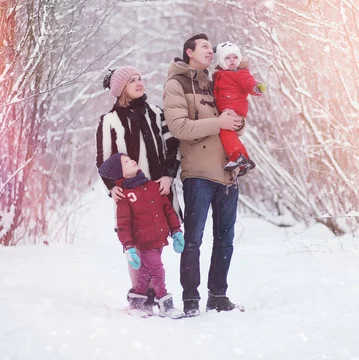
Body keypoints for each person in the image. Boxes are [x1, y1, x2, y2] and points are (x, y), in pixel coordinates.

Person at [163, 33, 245, 317]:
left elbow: (229, 124)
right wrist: (218, 122)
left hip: (227, 173)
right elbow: (180, 128)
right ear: (189, 52)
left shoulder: (214, 83)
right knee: (194, 238)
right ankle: (191, 299)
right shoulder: (176, 84)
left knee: (225, 239)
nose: (212, 51)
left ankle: (218, 296)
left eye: (212, 48)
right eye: (205, 47)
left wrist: (236, 121)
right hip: (198, 172)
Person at [96, 66, 181, 314]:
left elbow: (172, 147)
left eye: (140, 78)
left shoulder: (156, 113)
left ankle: (156, 292)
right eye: (132, 80)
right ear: (121, 88)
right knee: (134, 243)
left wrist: (168, 175)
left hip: (157, 191)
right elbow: (103, 161)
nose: (139, 83)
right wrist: (112, 188)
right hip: (129, 194)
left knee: (156, 241)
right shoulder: (109, 121)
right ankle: (141, 296)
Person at [98, 152, 185, 318]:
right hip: (144, 242)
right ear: (120, 173)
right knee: (158, 271)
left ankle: (137, 303)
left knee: (145, 273)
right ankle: (165, 304)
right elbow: (123, 224)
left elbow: (168, 210)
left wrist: (176, 231)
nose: (131, 161)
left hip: (159, 239)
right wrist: (129, 247)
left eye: (129, 158)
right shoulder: (124, 196)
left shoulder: (152, 186)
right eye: (125, 162)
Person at [212, 41, 266, 176]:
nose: (232, 61)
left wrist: (256, 87)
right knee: (226, 133)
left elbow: (248, 82)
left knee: (226, 132)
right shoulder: (218, 75)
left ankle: (238, 156)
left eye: (235, 57)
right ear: (221, 61)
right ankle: (245, 160)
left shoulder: (239, 73)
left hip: (233, 109)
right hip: (225, 110)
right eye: (227, 58)